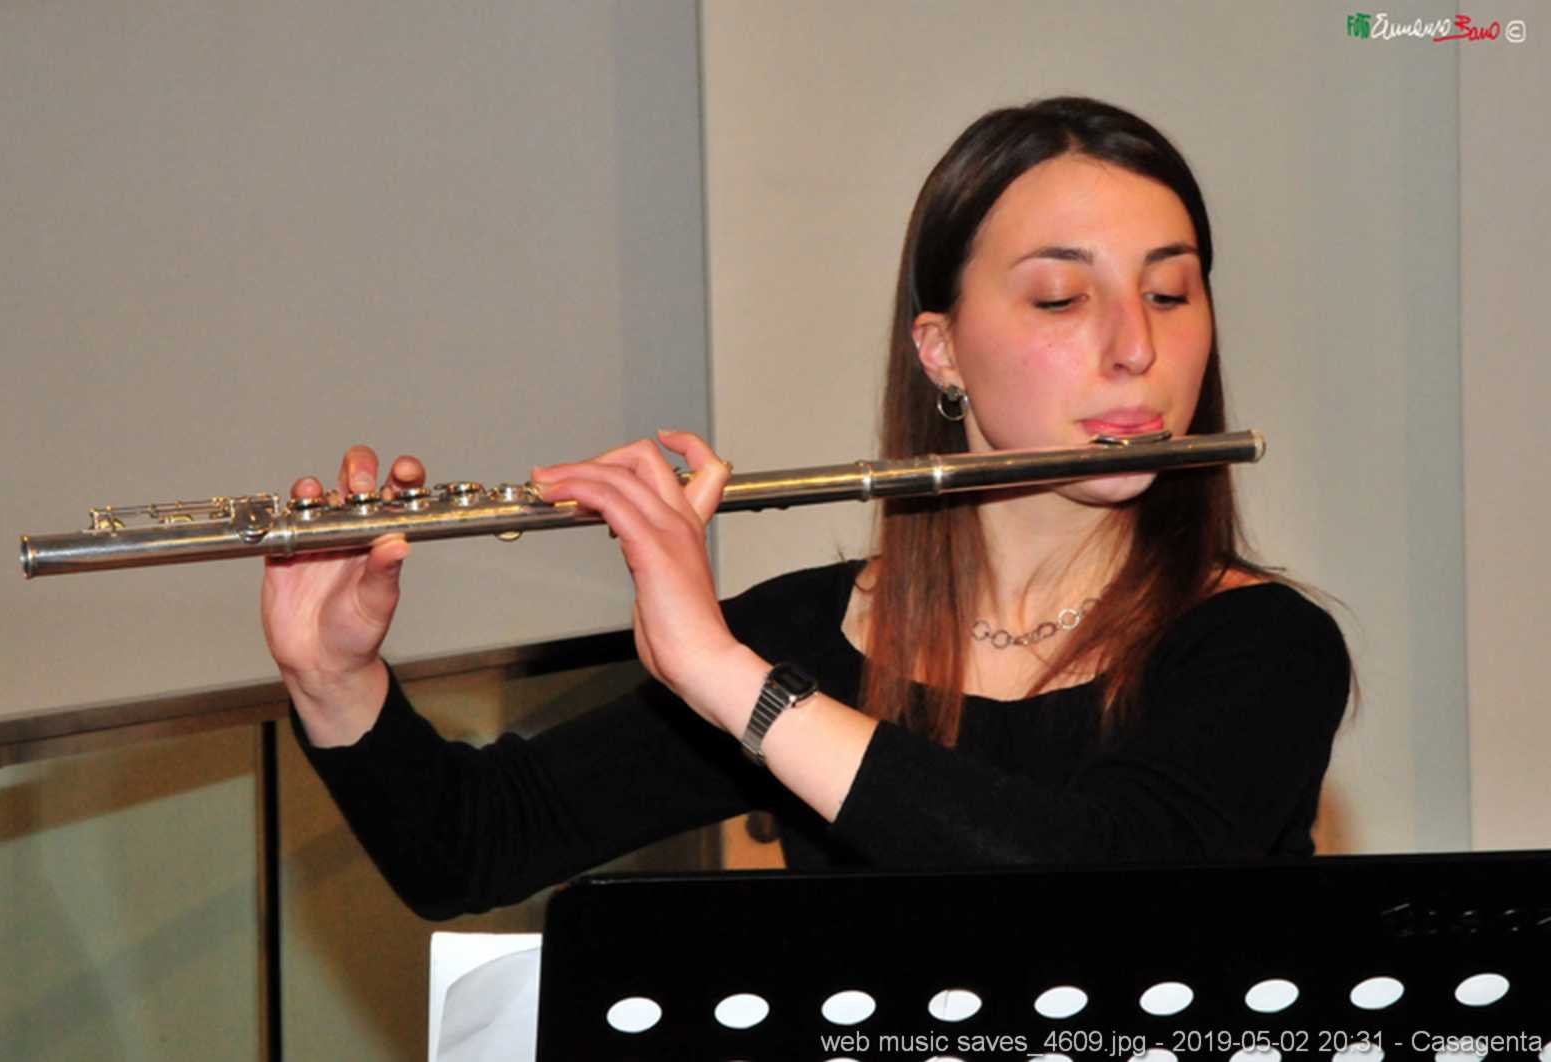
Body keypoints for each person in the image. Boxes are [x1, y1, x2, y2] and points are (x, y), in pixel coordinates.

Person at [263, 97, 1351, 920]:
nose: (1136, 346)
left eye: (1169, 292)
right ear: (941, 352)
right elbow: (468, 846)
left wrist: (730, 679)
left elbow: (1105, 882)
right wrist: (334, 677)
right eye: (1062, 297)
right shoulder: (813, 636)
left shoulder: (1263, 648)